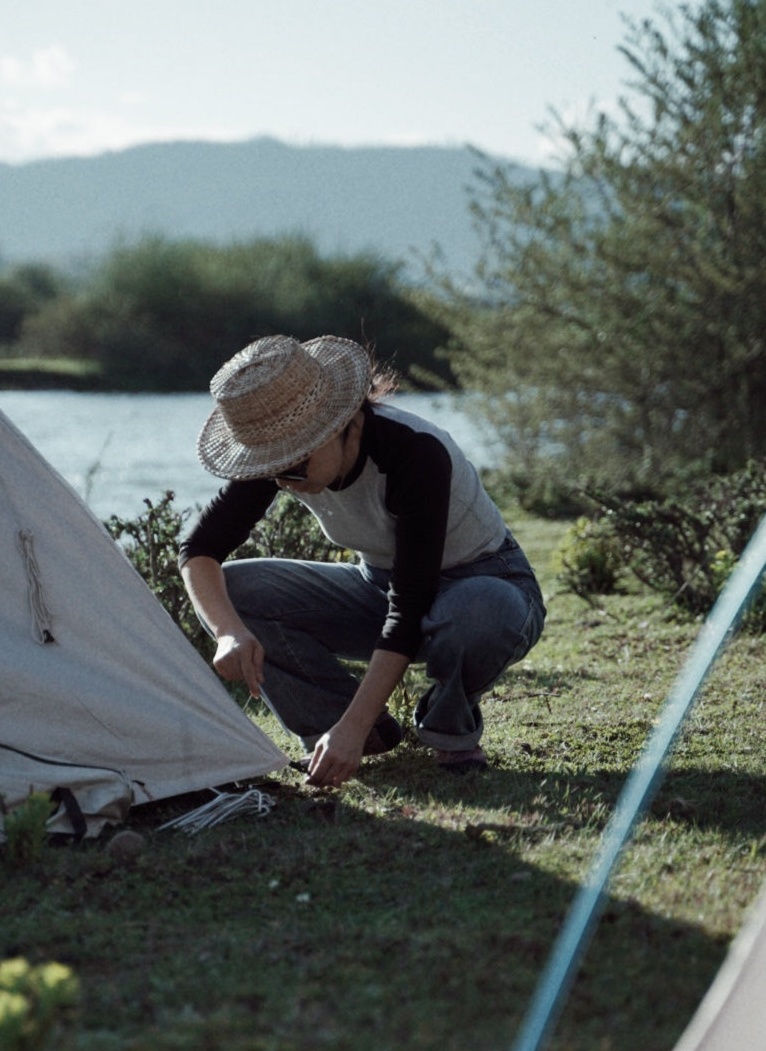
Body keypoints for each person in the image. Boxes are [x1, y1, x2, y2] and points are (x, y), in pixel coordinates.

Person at [178, 334, 546, 789]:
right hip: (378, 585)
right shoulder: (283, 460)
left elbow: (409, 607)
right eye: (271, 470)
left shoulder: (414, 451)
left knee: (479, 611)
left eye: (293, 467)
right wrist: (227, 632)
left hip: (486, 581)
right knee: (233, 592)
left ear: (342, 423)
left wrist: (351, 726)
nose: (284, 482)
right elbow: (198, 551)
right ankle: (349, 731)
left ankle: (449, 731)